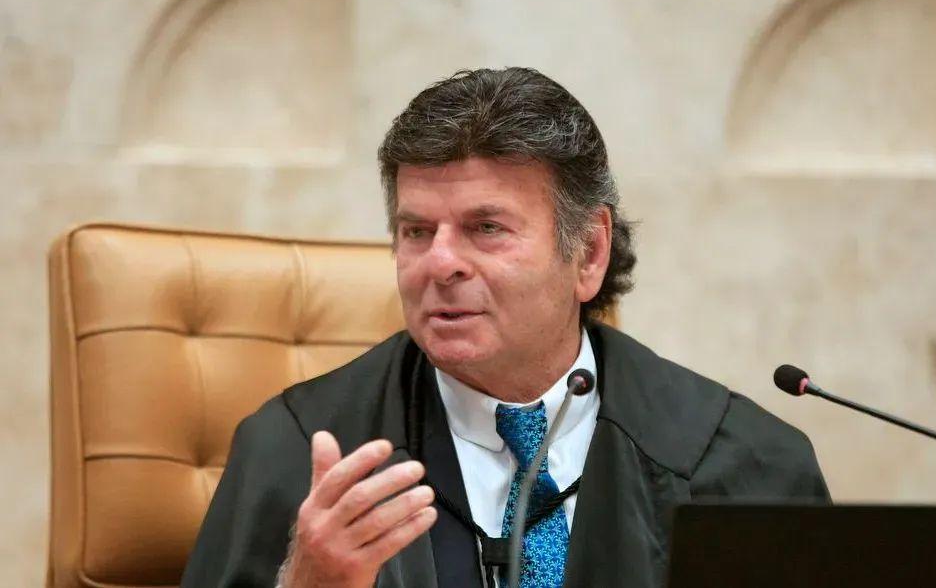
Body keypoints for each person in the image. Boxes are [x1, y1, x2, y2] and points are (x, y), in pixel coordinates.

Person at [182, 67, 829, 588]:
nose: (439, 262)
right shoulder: (295, 452)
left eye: (485, 228)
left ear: (589, 253)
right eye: (416, 231)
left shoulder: (741, 464)